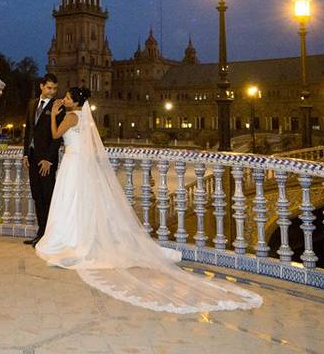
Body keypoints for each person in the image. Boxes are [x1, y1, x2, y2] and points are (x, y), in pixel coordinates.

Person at [35, 86, 263, 314]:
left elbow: (55, 135)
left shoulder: (72, 116)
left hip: (73, 164)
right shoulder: (82, 116)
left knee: (70, 201)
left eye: (66, 98)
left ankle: (70, 239)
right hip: (78, 163)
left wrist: (55, 116)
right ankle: (78, 237)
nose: (63, 100)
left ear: (75, 102)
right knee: (79, 202)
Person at [22, 73, 62, 246]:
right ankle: (41, 233)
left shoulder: (57, 107)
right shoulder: (31, 104)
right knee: (37, 196)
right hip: (32, 157)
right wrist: (25, 153)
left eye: (54, 88)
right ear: (41, 86)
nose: (52, 92)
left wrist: (49, 160)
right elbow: (29, 130)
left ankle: (49, 235)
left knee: (48, 197)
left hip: (46, 161)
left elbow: (57, 137)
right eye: (49, 88)